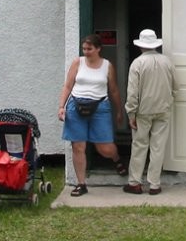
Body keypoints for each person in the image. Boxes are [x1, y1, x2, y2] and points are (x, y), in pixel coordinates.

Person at [58, 33, 127, 196]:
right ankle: (81, 184)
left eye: (89, 49)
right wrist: (62, 106)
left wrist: (119, 111)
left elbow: (114, 89)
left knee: (104, 147)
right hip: (76, 105)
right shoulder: (78, 62)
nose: (86, 52)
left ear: (98, 49)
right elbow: (67, 86)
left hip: (100, 107)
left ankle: (116, 158)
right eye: (84, 49)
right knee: (78, 146)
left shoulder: (107, 65)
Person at [123, 28, 177, 195]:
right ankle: (155, 184)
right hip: (163, 109)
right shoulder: (167, 62)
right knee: (158, 146)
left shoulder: (137, 63)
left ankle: (135, 182)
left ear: (140, 45)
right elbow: (176, 87)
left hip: (143, 111)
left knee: (139, 145)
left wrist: (131, 113)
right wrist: (169, 101)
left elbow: (132, 93)